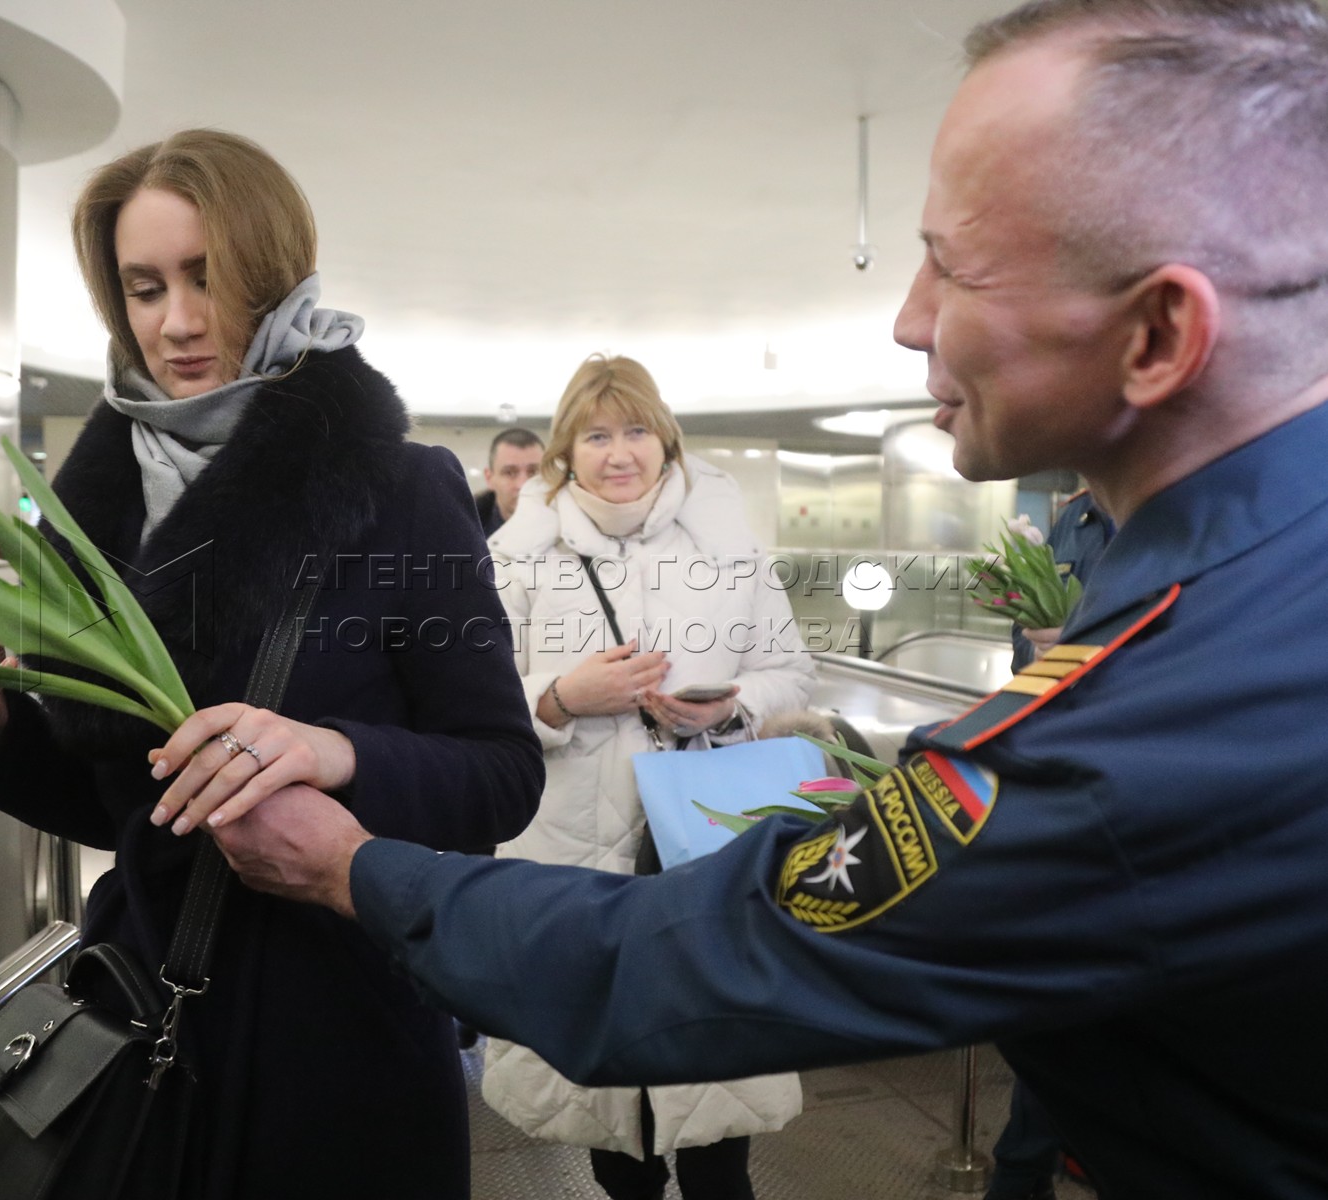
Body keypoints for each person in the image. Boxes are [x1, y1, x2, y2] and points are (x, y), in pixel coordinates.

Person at [202, 3, 1328, 1198]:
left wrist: (351, 867)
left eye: (954, 263)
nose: (905, 319)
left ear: (1157, 332)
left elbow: (712, 953)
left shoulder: (1169, 707)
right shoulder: (1236, 588)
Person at [0, 129, 543, 1199]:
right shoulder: (87, 520)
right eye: (143, 288)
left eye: (208, 279)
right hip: (143, 1016)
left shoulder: (401, 489)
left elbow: (502, 774)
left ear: (275, 280)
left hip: (342, 1041)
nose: (177, 322)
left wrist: (329, 752)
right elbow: (128, 812)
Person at [482, 354, 813, 1200]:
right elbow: (475, 703)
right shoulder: (518, 557)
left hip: (702, 844)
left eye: (634, 431)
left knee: (716, 1102)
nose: (618, 452)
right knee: (608, 1100)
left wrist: (729, 706)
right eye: (595, 435)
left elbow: (791, 672)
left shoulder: (729, 551)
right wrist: (559, 697)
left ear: (665, 441)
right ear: (567, 451)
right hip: (571, 854)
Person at [994, 484, 1114, 1200]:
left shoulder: (1194, 509)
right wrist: (1047, 646)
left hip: (1158, 784)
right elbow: (1024, 652)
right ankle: (1021, 1173)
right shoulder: (1074, 519)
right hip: (1071, 774)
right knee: (1060, 998)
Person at [1009, 487, 1115, 674]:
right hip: (1062, 696)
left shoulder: (1174, 515)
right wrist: (1037, 653)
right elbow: (1022, 632)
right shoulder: (1074, 516)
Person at [474, 426, 544, 536]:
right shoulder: (463, 535)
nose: (522, 485)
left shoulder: (569, 530)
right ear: (489, 478)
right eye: (509, 473)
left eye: (533, 472)